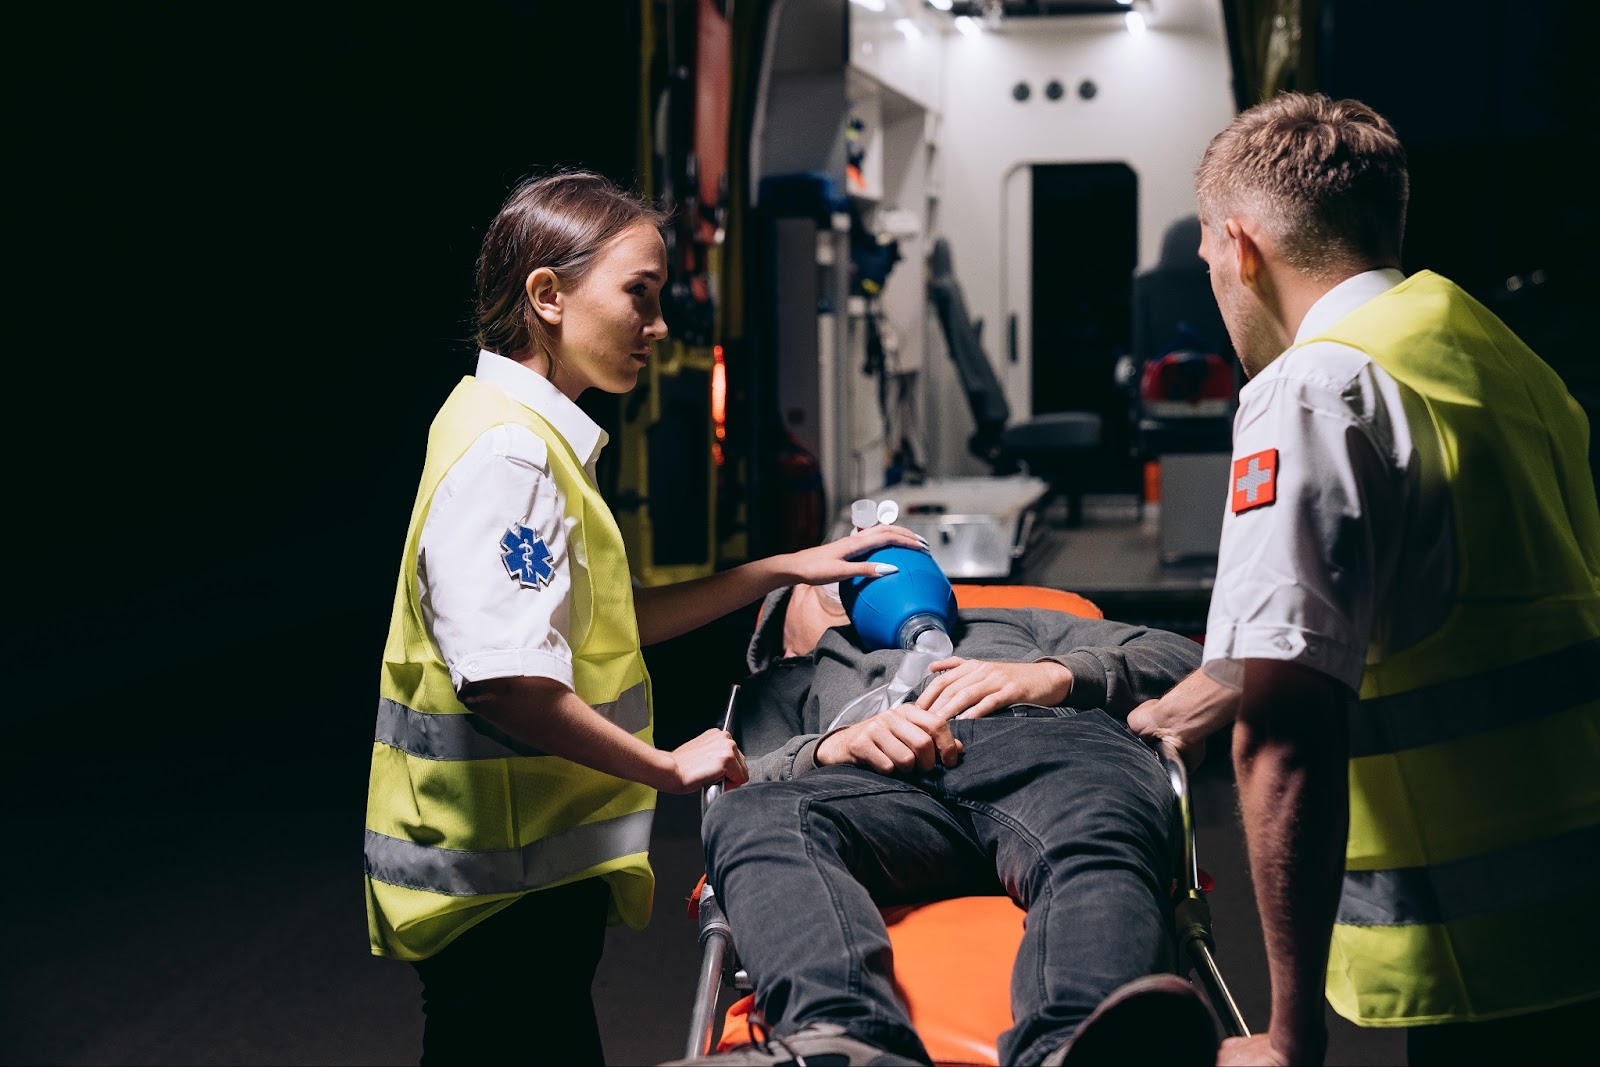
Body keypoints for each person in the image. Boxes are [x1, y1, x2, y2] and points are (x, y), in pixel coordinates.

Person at [362, 168, 928, 1066]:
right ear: (547, 295)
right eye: (640, 295)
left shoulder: (507, 423)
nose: (659, 328)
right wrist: (666, 766)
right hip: (500, 887)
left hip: (520, 883)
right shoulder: (512, 457)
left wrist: (782, 568)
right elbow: (508, 682)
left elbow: (603, 625)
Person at [1126, 92, 1600, 1066]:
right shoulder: (1496, 358)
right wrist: (1195, 698)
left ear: (1241, 245)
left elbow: (1285, 741)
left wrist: (1288, 1035)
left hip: (1472, 939)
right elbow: (1445, 601)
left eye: (1214, 264)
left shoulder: (1313, 387)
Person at [664, 580, 1223, 1067]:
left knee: (1099, 826)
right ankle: (841, 1039)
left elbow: (1191, 660)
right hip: (883, 794)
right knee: (751, 814)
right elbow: (735, 775)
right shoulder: (794, 678)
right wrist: (831, 746)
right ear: (784, 631)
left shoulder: (1013, 623)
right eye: (829, 584)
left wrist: (1054, 675)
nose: (864, 581)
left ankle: (1074, 1042)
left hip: (1055, 750)